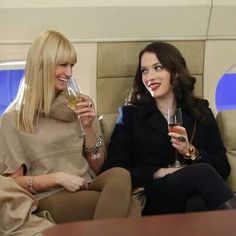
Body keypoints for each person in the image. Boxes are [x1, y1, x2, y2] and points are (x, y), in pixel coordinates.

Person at [0, 30, 141, 230]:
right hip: (51, 195)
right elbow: (14, 184)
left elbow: (98, 165)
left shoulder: (82, 104)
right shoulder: (13, 119)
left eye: (72, 66)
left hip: (87, 183)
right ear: (43, 65)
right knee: (132, 206)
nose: (69, 73)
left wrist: (89, 129)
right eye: (63, 65)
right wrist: (57, 178)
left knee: (120, 174)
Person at [103, 42, 236, 215]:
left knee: (197, 204)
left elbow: (222, 168)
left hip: (193, 193)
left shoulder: (200, 111)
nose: (149, 76)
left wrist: (191, 152)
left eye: (158, 68)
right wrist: (159, 172)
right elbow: (114, 170)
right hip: (154, 194)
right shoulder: (131, 116)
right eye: (144, 71)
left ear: (176, 73)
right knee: (201, 173)